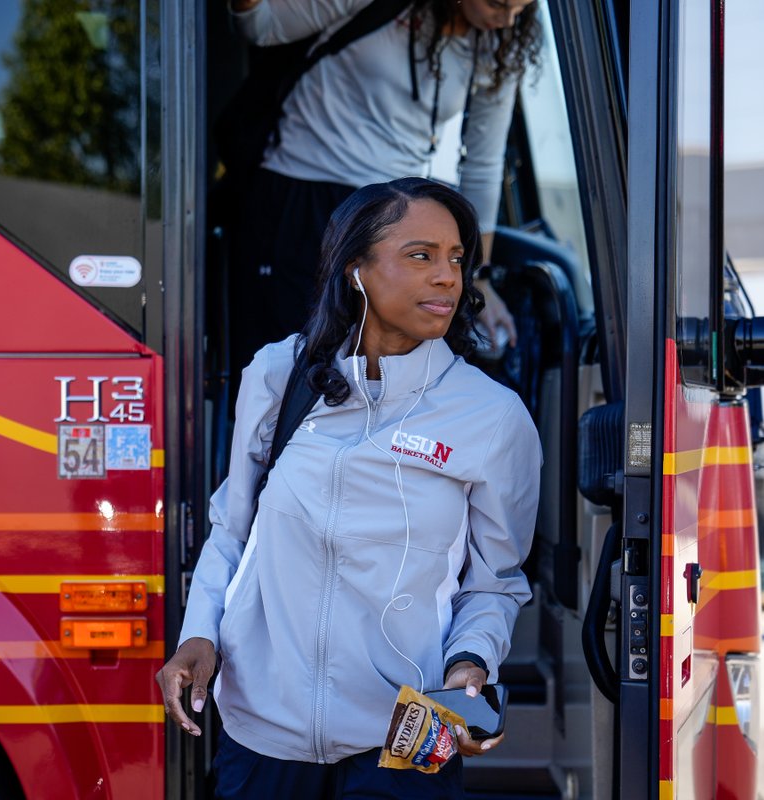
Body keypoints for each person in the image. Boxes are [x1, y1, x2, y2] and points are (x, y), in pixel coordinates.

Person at [158, 178, 541, 798]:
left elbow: (495, 582)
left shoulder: (492, 416)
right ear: (355, 270)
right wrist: (198, 634)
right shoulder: (278, 374)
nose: (448, 277)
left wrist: (470, 666)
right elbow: (233, 529)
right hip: (262, 730)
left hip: (417, 734)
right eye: (421, 256)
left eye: (457, 259)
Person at [224, 0, 542, 388]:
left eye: (521, 10)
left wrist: (479, 278)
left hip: (388, 216)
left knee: (366, 377)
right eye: (499, 4)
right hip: (302, 196)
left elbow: (485, 163)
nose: (507, 19)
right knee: (286, 370)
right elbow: (262, 26)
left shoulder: (500, 43)